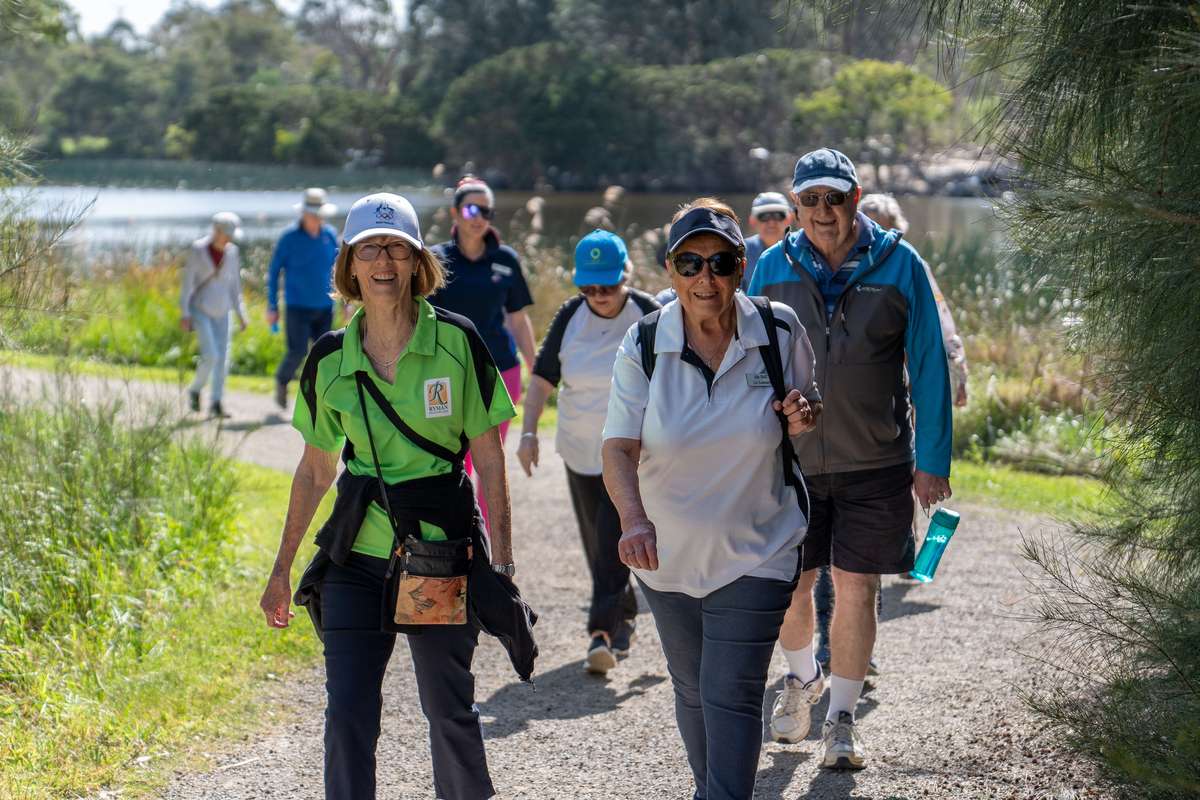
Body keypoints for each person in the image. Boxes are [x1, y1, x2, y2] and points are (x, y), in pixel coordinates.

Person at [258, 193, 528, 800]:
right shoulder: (328, 357)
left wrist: (503, 563)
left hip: (437, 554)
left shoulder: (458, 343)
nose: (383, 260)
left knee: (448, 711)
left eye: (397, 248)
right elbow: (314, 470)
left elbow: (488, 458)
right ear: (350, 264)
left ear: (415, 263)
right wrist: (281, 570)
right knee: (348, 716)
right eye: (369, 248)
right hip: (356, 560)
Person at [602, 198, 822, 799]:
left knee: (732, 690)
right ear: (670, 270)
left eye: (720, 262)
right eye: (691, 263)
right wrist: (634, 521)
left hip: (760, 546)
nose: (706, 278)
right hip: (666, 557)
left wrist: (803, 414)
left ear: (739, 268)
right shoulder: (644, 343)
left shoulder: (777, 330)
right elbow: (618, 449)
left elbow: (807, 400)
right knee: (694, 687)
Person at [748, 148, 953, 769]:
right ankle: (799, 678)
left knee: (857, 587)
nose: (821, 212)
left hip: (877, 461)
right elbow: (750, 366)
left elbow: (929, 365)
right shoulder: (770, 269)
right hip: (795, 465)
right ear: (795, 206)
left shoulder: (900, 265)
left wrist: (932, 458)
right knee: (791, 585)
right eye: (808, 200)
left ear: (855, 199)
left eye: (832, 198)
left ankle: (840, 718)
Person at [517, 230, 659, 674]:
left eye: (608, 286)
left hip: (633, 453)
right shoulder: (569, 316)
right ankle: (625, 615)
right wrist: (527, 434)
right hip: (579, 450)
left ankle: (602, 633)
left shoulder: (650, 315)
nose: (599, 296)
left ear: (627, 277)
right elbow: (542, 378)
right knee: (598, 544)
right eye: (589, 287)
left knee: (612, 535)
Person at [430, 176, 536, 524]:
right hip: (448, 373)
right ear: (455, 213)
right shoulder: (436, 260)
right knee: (453, 461)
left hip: (501, 372)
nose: (479, 217)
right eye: (472, 208)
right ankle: (455, 538)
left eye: (486, 210)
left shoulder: (506, 259)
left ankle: (490, 548)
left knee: (489, 463)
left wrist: (537, 370)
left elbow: (518, 320)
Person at [859, 192, 969, 407]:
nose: (875, 237)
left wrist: (959, 370)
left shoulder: (912, 266)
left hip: (904, 380)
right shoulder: (842, 269)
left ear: (896, 229)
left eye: (882, 228)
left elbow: (942, 321)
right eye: (868, 228)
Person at [268, 187, 341, 410]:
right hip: (297, 306)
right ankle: (282, 381)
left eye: (318, 213)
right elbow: (273, 272)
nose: (315, 217)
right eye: (311, 213)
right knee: (297, 351)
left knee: (324, 355)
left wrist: (345, 300)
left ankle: (318, 401)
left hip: (325, 306)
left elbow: (338, 270)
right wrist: (271, 305)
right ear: (303, 213)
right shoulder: (289, 238)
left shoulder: (329, 235)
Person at [180, 211, 247, 418]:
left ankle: (216, 402)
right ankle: (195, 389)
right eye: (225, 233)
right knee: (210, 356)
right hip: (200, 310)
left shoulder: (232, 253)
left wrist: (242, 314)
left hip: (224, 311)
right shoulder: (198, 250)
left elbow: (235, 286)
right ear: (216, 231)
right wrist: (184, 313)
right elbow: (188, 284)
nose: (228, 238)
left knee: (223, 359)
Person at [742, 191, 794, 292]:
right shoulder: (740, 252)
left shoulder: (804, 249)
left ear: (789, 218)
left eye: (779, 215)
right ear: (752, 221)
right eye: (763, 216)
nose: (771, 222)